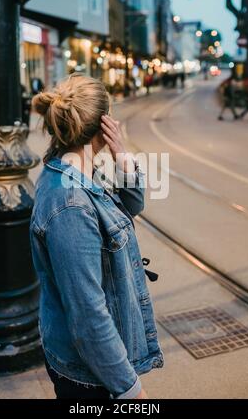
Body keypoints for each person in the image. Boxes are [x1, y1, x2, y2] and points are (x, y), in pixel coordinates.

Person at [30, 74, 164, 399]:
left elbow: (132, 205)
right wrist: (130, 390)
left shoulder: (80, 170)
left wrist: (122, 157)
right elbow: (88, 315)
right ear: (105, 123)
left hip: (95, 365)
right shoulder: (70, 206)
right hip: (89, 376)